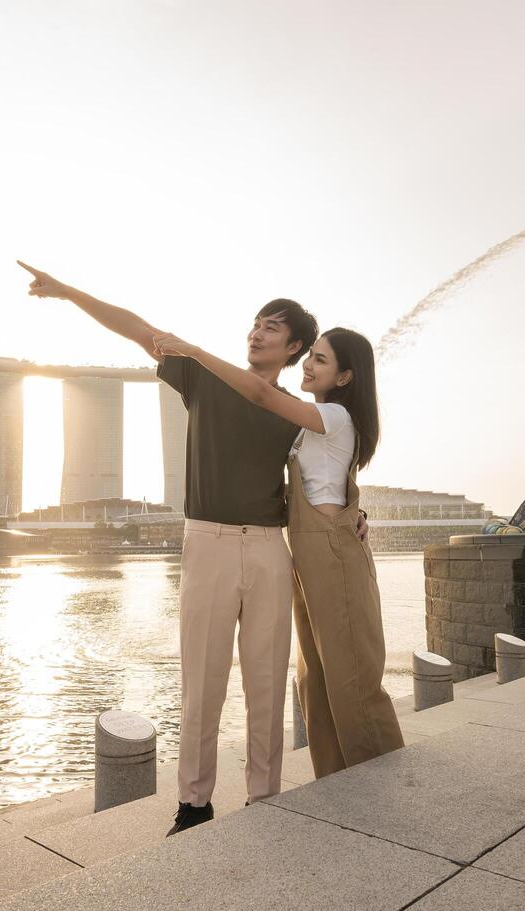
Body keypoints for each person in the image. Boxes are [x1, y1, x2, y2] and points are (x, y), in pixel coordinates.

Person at [17, 260, 364, 836]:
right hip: (207, 542)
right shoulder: (202, 377)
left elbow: (326, 475)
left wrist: (358, 515)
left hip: (271, 551)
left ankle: (264, 797)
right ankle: (194, 803)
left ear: (295, 347)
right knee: (201, 679)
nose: (257, 332)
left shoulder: (296, 415)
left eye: (272, 328)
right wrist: (66, 290)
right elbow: (134, 326)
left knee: (266, 680)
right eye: (255, 323)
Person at [152, 326, 405, 779]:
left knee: (351, 676)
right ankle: (336, 781)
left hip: (329, 551)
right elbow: (322, 479)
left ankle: (382, 780)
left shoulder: (334, 417)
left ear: (345, 377)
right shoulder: (315, 420)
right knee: (315, 679)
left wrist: (193, 350)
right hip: (305, 556)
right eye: (310, 355)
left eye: (321, 360)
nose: (308, 364)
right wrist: (355, 508)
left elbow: (263, 397)